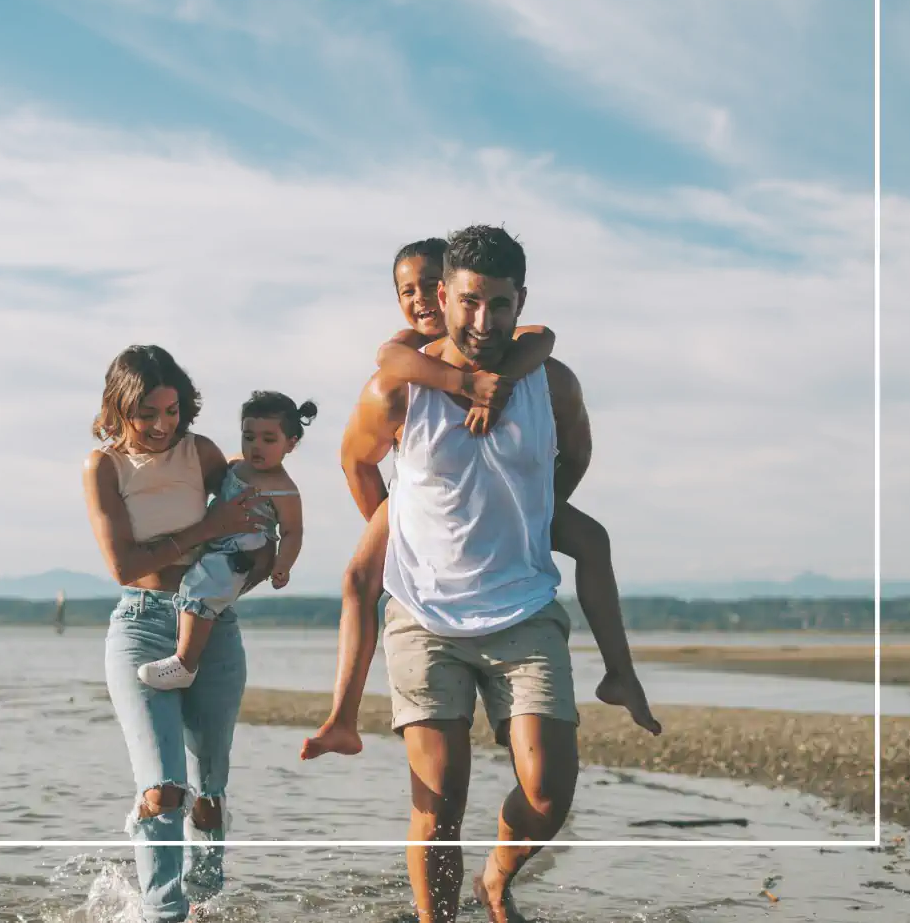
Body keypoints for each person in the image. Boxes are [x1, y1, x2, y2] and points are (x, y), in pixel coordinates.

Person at [307, 226, 635, 923]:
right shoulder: (397, 391)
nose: (483, 321)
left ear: (520, 303)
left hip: (523, 608)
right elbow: (355, 461)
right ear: (442, 298)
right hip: (424, 618)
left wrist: (532, 509)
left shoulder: (549, 381)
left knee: (549, 791)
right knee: (439, 801)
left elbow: (573, 452)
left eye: (499, 305)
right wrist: (402, 526)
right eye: (467, 303)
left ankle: (496, 877)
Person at [81, 345, 273, 923]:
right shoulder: (104, 467)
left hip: (212, 626)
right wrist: (208, 528)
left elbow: (256, 516)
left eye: (172, 410)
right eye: (147, 413)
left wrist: (255, 563)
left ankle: (207, 904)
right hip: (140, 625)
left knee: (208, 792)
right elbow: (124, 565)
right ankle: (165, 913)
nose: (162, 425)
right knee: (164, 789)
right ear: (119, 408)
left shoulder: (204, 453)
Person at [138, 390, 315, 690]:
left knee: (200, 589)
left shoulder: (284, 489)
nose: (256, 446)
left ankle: (185, 663)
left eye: (268, 440)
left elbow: (292, 532)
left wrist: (282, 565)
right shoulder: (235, 466)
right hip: (215, 539)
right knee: (191, 584)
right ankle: (184, 647)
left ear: (291, 444)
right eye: (249, 437)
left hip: (241, 552)